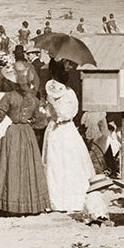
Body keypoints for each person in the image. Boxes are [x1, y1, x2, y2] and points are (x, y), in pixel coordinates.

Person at [0, 62, 50, 215]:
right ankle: (30, 204)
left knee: (10, 167)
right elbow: (40, 120)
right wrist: (28, 123)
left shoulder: (9, 97)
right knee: (28, 168)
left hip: (11, 133)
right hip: (27, 133)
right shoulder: (33, 99)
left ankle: (9, 205)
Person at [41, 79, 96, 214]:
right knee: (54, 164)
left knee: (70, 162)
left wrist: (53, 105)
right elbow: (49, 114)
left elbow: (66, 114)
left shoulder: (69, 93)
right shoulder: (51, 92)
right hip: (54, 130)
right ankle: (56, 200)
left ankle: (72, 200)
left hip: (66, 130)